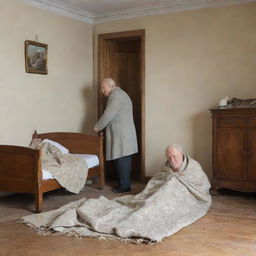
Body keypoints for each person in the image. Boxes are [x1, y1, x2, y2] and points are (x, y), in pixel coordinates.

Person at [22, 144, 211, 244]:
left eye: (175, 157)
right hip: (156, 197)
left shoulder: (193, 167)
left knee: (157, 204)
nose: (172, 160)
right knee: (146, 201)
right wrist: (159, 191)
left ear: (182, 154)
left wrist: (175, 186)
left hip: (179, 200)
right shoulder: (166, 166)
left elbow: (201, 186)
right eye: (169, 157)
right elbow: (155, 184)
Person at [94, 78, 138, 193]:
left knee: (122, 159)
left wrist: (98, 127)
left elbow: (108, 114)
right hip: (122, 133)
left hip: (122, 134)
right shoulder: (118, 94)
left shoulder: (116, 95)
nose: (102, 91)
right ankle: (123, 183)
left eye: (103, 88)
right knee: (122, 158)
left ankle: (124, 186)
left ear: (111, 86)